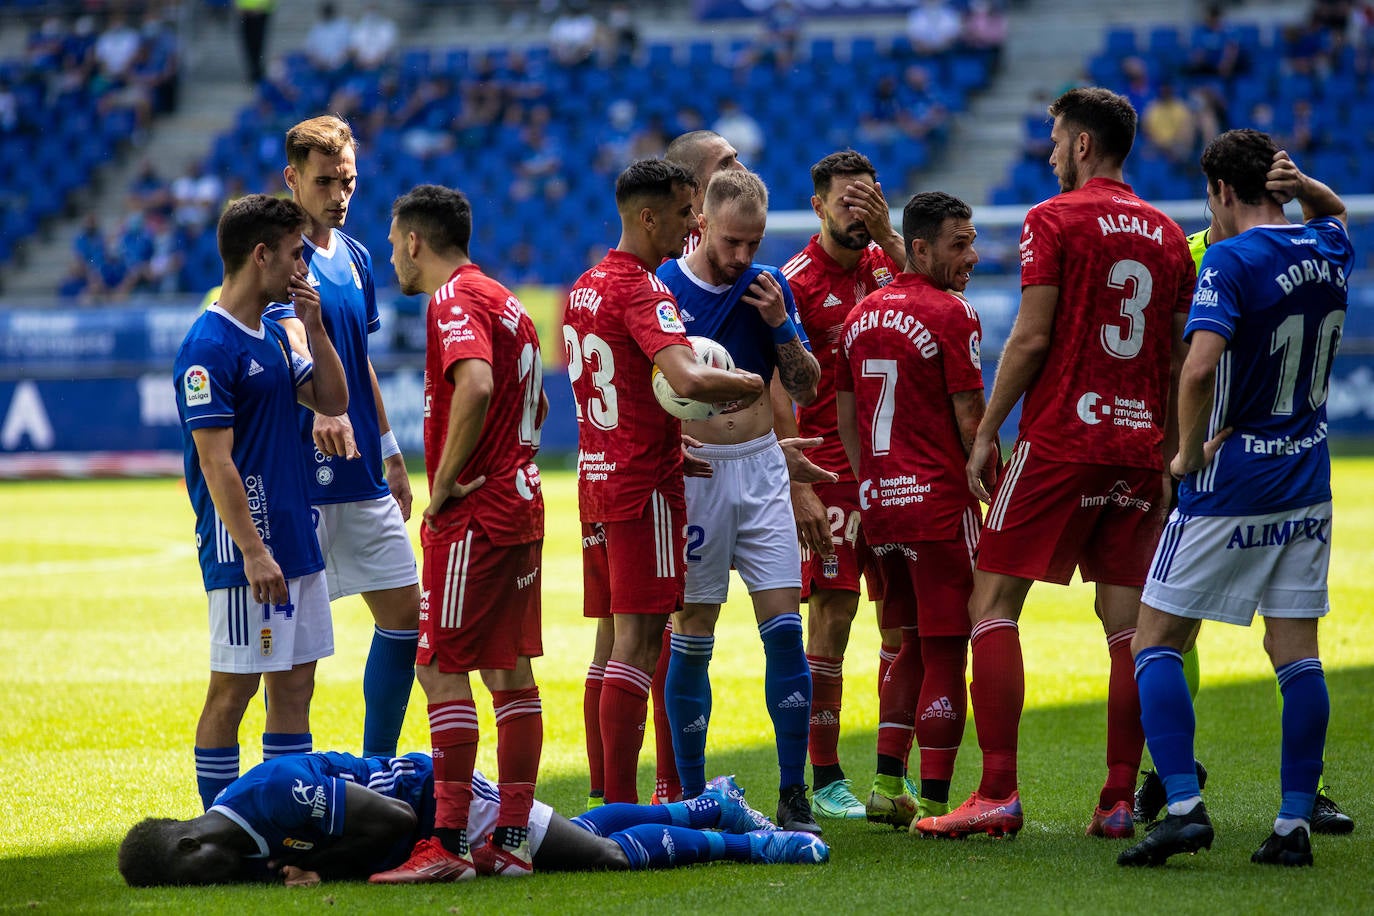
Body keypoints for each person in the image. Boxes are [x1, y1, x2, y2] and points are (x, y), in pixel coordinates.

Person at [913, 87, 1195, 841]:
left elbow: (1033, 338)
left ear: (1082, 145)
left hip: (1063, 439)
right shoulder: (1170, 235)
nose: (1049, 155)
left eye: (1056, 141)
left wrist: (986, 432)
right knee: (1128, 629)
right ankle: (1117, 800)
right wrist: (1166, 452)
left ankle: (997, 792)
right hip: (1138, 448)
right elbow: (1175, 360)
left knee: (991, 603)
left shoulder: (1053, 218)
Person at [1119, 137, 1353, 867]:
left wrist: (1185, 454)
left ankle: (1183, 807)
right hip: (1307, 479)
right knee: (1297, 655)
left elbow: (1196, 372)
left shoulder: (1230, 259)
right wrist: (1305, 181)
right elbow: (1337, 212)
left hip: (1234, 482)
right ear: (1278, 184)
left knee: (1153, 640)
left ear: (1221, 189)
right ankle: (1293, 824)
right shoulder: (1328, 245)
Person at [566, 158, 764, 808]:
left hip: (598, 480)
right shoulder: (644, 289)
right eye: (684, 213)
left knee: (611, 643)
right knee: (641, 642)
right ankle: (623, 808)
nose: (692, 226)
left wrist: (671, 439)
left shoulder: (586, 286)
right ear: (648, 217)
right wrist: (747, 383)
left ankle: (606, 794)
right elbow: (686, 377)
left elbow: (622, 386)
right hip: (642, 486)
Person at [366, 185, 546, 881]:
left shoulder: (452, 299)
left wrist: (442, 484)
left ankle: (445, 844)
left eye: (394, 244)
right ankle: (512, 842)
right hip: (521, 502)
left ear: (415, 240)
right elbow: (537, 401)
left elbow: (474, 385)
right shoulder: (506, 300)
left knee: (438, 665)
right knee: (509, 670)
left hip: (477, 515)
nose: (392, 257)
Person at [656, 169, 823, 833]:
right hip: (696, 475)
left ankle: (793, 793)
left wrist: (781, 324)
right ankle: (696, 797)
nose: (742, 255)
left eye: (754, 242)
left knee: (785, 628)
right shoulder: (664, 287)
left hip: (760, 469)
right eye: (731, 241)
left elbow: (804, 387)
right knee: (694, 628)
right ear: (702, 225)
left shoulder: (769, 287)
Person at [173, 194, 350, 811]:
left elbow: (332, 401)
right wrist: (252, 551)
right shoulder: (208, 346)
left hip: (296, 537)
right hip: (245, 549)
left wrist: (317, 328)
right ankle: (219, 829)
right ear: (261, 255)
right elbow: (215, 462)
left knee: (295, 688)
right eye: (296, 254)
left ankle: (282, 825)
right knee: (234, 690)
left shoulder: (275, 334)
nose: (304, 267)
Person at [264, 115, 420, 762]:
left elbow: (361, 362)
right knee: (291, 659)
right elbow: (290, 342)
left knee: (406, 620)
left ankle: (377, 767)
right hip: (302, 478)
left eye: (348, 181)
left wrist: (391, 451)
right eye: (325, 181)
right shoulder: (276, 257)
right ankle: (284, 788)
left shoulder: (356, 256)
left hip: (362, 473)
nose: (339, 195)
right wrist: (321, 410)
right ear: (292, 178)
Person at [835, 191, 985, 829]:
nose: (972, 256)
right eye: (959, 244)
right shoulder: (953, 313)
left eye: (972, 242)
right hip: (939, 507)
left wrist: (872, 482)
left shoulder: (859, 315)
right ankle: (935, 802)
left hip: (881, 508)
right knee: (947, 648)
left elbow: (846, 418)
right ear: (919, 247)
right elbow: (971, 418)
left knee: (909, 645)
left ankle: (885, 785)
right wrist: (993, 481)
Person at [118, 752, 829, 887]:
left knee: (604, 859)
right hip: (429, 819)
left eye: (197, 879)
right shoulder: (234, 845)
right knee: (575, 835)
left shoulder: (275, 796)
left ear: (189, 844)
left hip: (444, 801)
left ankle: (758, 847)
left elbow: (392, 815)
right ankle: (710, 804)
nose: (215, 887)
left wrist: (322, 868)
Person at [778, 150, 906, 820]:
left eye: (869, 200)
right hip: (829, 469)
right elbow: (779, 384)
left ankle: (892, 774)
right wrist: (795, 479)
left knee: (902, 619)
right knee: (833, 614)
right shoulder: (795, 282)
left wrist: (891, 235)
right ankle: (825, 775)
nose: (858, 214)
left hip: (895, 467)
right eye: (846, 202)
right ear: (818, 206)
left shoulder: (890, 263)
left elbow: (942, 305)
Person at [664, 129, 745, 256]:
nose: (743, 170)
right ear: (691, 185)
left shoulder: (734, 246)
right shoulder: (681, 260)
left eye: (736, 158)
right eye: (724, 164)